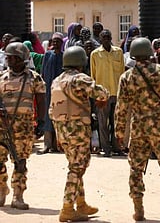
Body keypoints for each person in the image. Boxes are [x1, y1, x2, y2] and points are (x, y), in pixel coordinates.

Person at [114, 37, 160, 222]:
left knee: (136, 168)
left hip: (139, 130)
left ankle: (138, 209)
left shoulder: (127, 77)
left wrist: (119, 133)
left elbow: (121, 108)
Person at [49, 46, 108, 222]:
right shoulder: (80, 79)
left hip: (62, 131)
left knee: (75, 165)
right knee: (77, 168)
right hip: (78, 131)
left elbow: (53, 109)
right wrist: (101, 99)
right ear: (82, 62)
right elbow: (102, 93)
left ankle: (81, 204)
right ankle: (67, 208)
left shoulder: (56, 81)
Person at [0, 42, 46, 210]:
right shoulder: (1, 77)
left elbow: (41, 101)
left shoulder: (34, 78)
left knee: (20, 162)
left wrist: (41, 122)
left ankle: (18, 196)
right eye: (7, 57)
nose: (8, 60)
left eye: (12, 57)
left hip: (24, 128)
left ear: (21, 58)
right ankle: (1, 189)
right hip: (2, 128)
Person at [90, 29, 125, 157]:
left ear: (111, 38)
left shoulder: (119, 52)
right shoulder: (95, 54)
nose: (106, 39)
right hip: (102, 95)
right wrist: (94, 95)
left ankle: (117, 147)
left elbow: (122, 73)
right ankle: (106, 148)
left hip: (116, 92)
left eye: (108, 37)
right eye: (103, 37)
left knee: (116, 122)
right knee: (103, 123)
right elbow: (93, 76)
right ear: (100, 39)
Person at [38, 32, 64, 155]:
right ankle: (47, 145)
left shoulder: (64, 56)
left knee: (59, 116)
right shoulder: (47, 55)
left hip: (60, 91)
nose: (55, 43)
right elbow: (43, 73)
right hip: (48, 90)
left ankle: (58, 145)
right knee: (48, 117)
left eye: (57, 41)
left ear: (61, 43)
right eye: (53, 41)